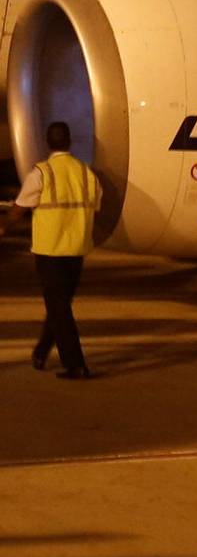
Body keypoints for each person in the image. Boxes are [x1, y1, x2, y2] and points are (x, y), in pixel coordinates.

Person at [6, 121, 103, 379]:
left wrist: (5, 227)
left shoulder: (42, 172)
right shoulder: (85, 173)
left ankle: (75, 364)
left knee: (59, 308)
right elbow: (98, 204)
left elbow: (20, 208)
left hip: (50, 251)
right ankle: (40, 352)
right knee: (60, 307)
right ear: (69, 142)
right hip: (77, 249)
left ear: (48, 143)